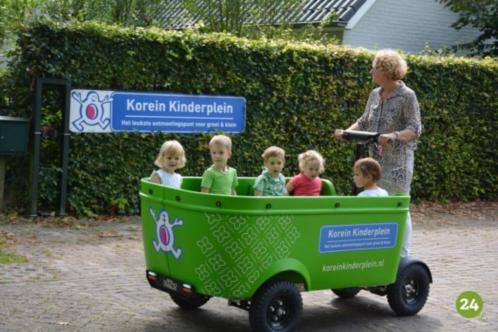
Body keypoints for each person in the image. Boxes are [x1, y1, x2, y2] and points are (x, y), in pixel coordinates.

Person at [335, 49, 422, 257]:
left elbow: (415, 128)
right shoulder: (375, 94)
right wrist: (347, 132)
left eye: (375, 67)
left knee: (398, 204)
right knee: (376, 204)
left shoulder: (407, 96)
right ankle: (379, 251)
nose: (371, 71)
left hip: (399, 161)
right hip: (377, 161)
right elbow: (364, 121)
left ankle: (402, 254)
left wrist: (394, 135)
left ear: (386, 70)